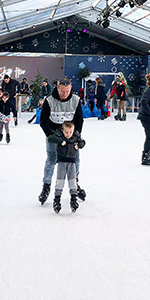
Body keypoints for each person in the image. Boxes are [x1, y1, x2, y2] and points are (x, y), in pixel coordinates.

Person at [38, 77, 85, 205]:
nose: (65, 94)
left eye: (67, 92)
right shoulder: (49, 100)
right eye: (62, 91)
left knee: (74, 160)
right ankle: (46, 186)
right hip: (54, 135)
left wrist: (77, 135)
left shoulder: (75, 100)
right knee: (52, 159)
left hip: (70, 136)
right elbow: (43, 120)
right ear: (57, 87)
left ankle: (74, 182)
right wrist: (50, 135)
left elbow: (79, 119)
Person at [47, 121, 86, 213]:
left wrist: (79, 145)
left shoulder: (76, 135)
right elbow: (50, 138)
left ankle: (73, 199)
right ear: (62, 130)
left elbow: (83, 142)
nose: (68, 134)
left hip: (72, 162)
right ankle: (57, 200)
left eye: (70, 132)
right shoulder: (59, 135)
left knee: (72, 181)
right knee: (60, 181)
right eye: (66, 132)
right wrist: (61, 141)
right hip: (61, 162)